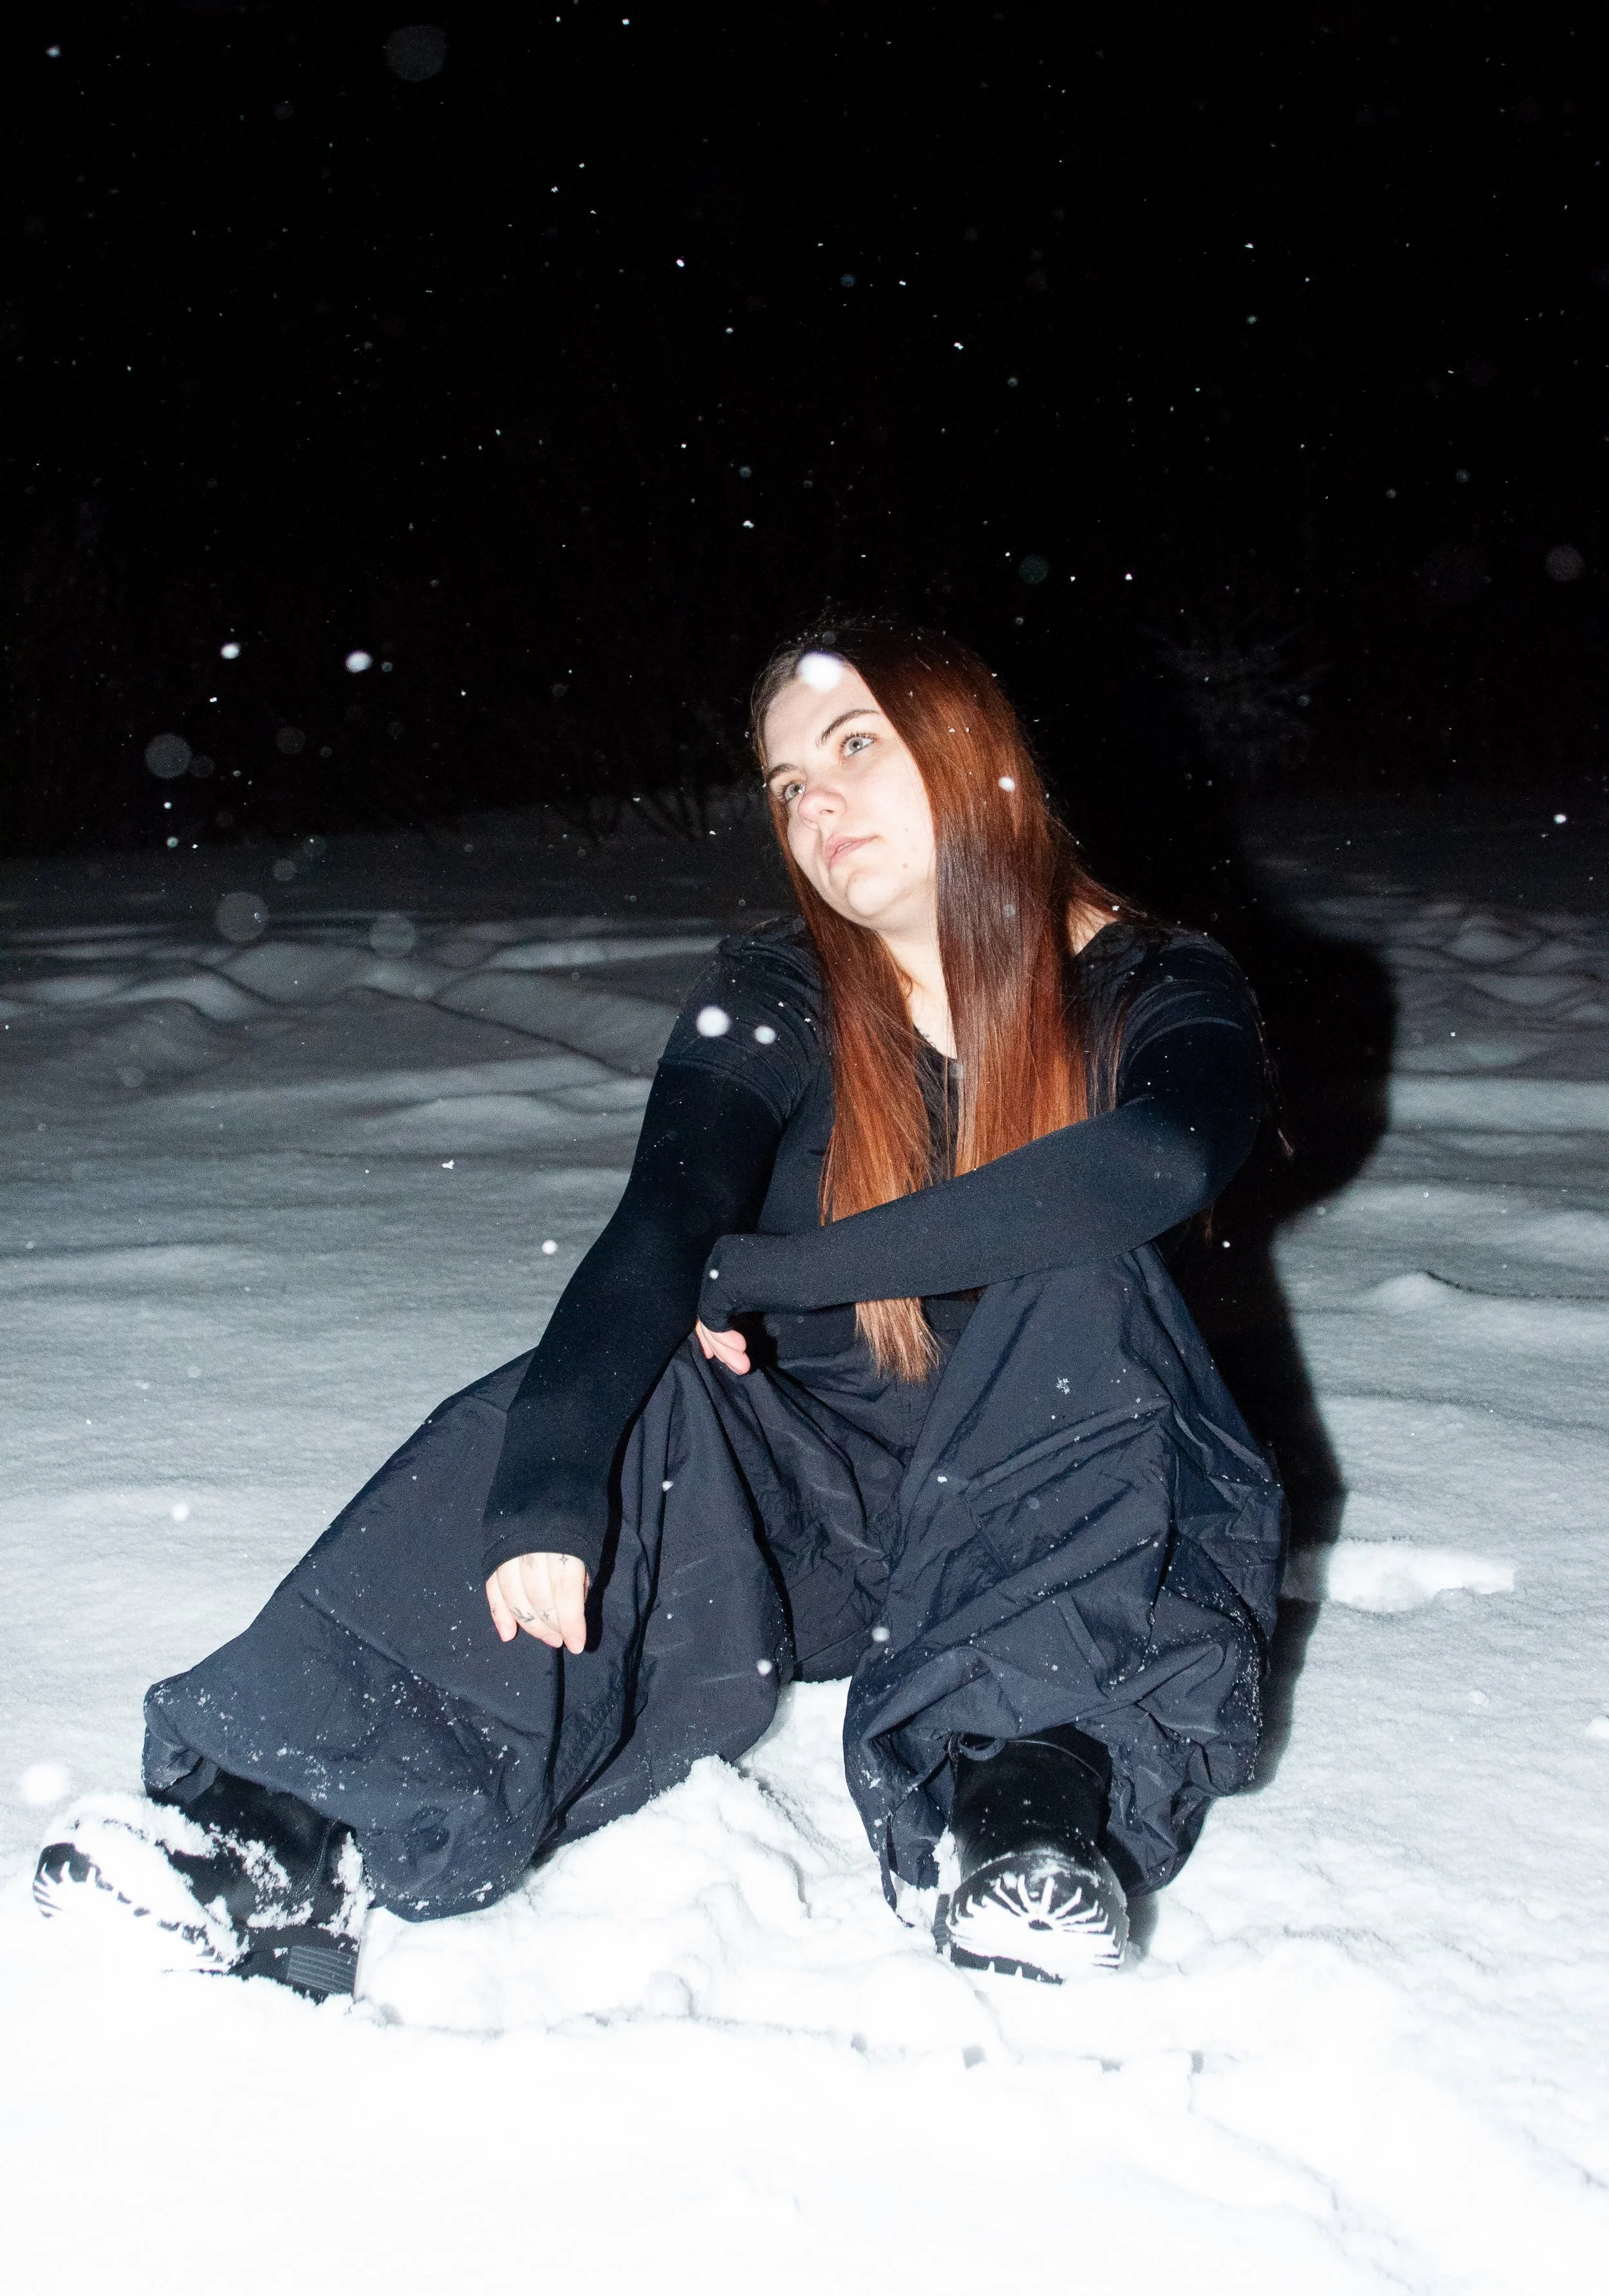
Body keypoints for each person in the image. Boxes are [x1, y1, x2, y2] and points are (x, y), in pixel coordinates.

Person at [37, 620, 1285, 1996]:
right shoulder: (778, 995)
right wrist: (552, 1485)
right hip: (819, 1520)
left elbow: (1151, 1168)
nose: (817, 806)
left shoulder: (1158, 984)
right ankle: (272, 1832)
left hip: (1086, 1504)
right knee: (649, 1388)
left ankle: (1017, 1813)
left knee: (1084, 1268)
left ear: (970, 753)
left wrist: (777, 1272)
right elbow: (662, 1223)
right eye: (788, 784)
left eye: (854, 747)